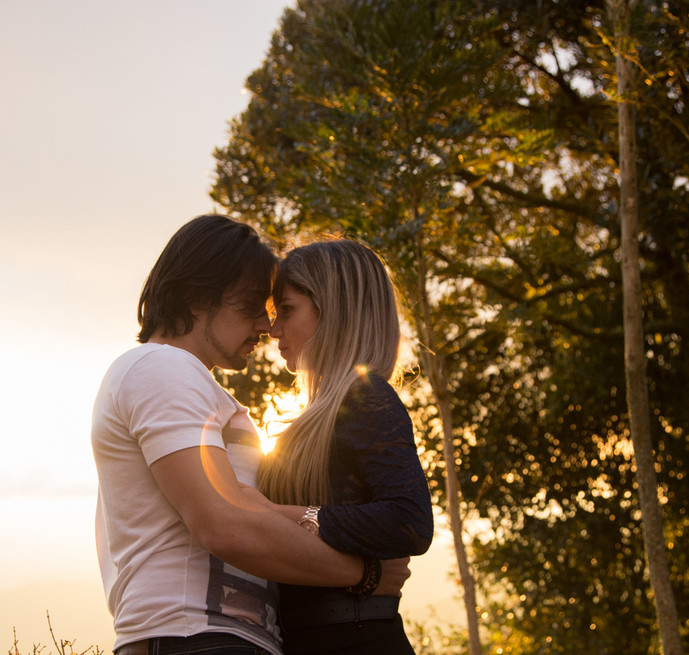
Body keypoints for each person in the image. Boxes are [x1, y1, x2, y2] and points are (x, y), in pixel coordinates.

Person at [92, 215, 408, 655]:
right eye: (250, 305)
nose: (265, 325)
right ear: (195, 296)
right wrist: (364, 575)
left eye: (275, 310)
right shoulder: (160, 367)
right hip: (196, 637)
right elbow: (222, 526)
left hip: (222, 637)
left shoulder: (191, 386)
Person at [255, 238, 434, 654]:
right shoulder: (321, 413)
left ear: (333, 310)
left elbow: (410, 521)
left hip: (359, 640)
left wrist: (281, 517)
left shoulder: (366, 395)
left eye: (286, 310)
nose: (274, 329)